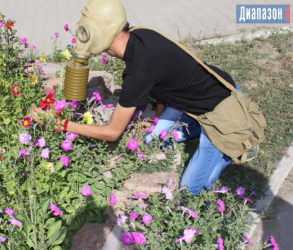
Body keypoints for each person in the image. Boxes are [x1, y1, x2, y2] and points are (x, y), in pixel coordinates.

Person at [31, 0, 254, 195]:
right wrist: (158, 121)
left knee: (190, 190)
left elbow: (112, 132)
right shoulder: (139, 34)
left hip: (222, 108)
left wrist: (61, 123)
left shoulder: (138, 72)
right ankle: (193, 125)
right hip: (195, 96)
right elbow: (163, 82)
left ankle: (234, 145)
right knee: (151, 139)